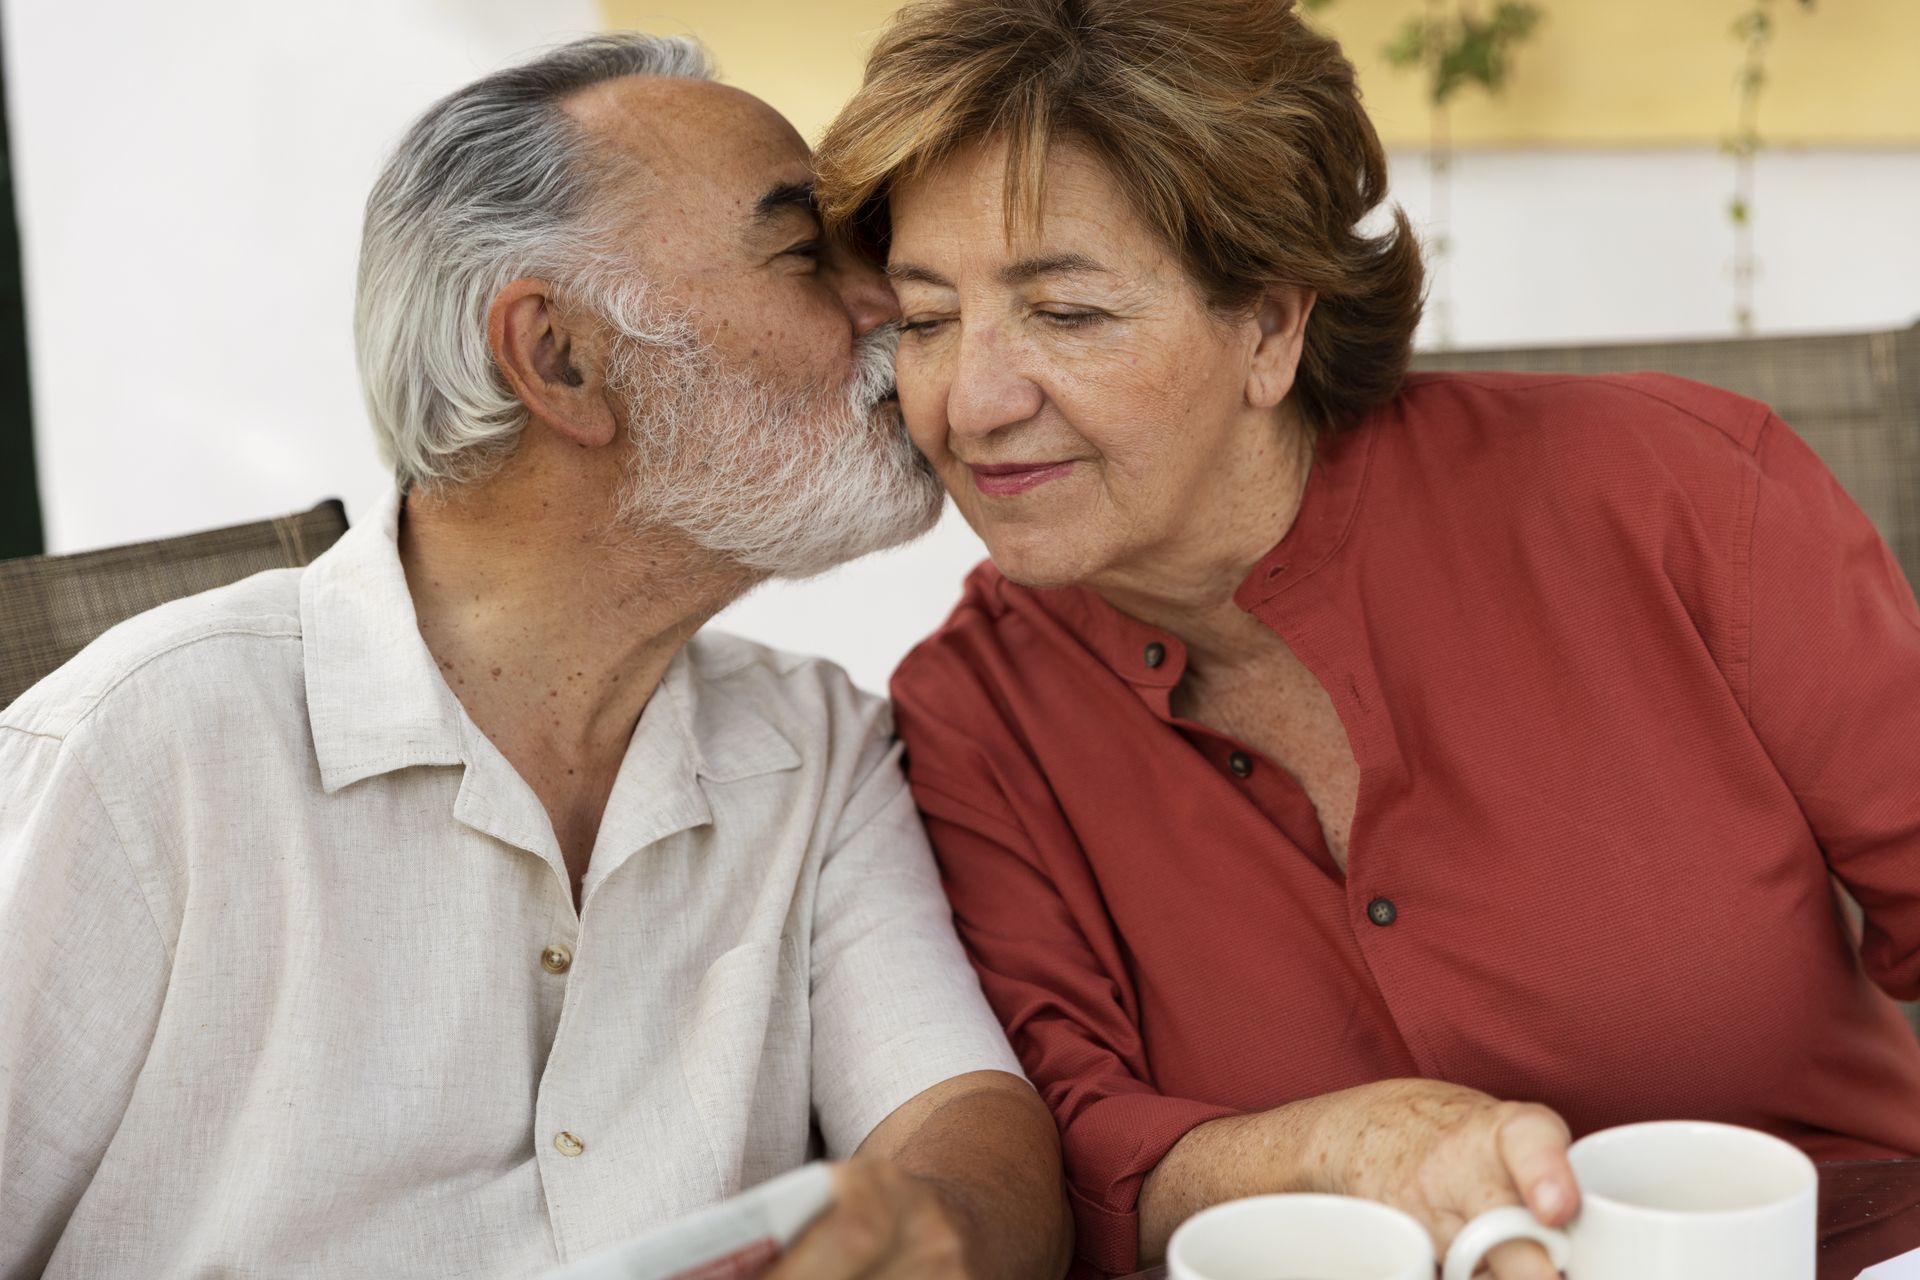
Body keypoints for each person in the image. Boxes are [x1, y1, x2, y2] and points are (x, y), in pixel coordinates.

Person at [812, 1, 1920, 1276]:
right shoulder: (972, 713)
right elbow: (1074, 1148)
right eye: (930, 319)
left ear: (1273, 325)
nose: (974, 401)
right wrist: (1347, 1147)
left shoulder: (1677, 495)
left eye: (1065, 312)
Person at [0, 34, 1071, 1280]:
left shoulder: (814, 746)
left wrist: (929, 1223)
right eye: (802, 252)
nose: (894, 301)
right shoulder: (144, 751)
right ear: (559, 356)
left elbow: (958, 1112)